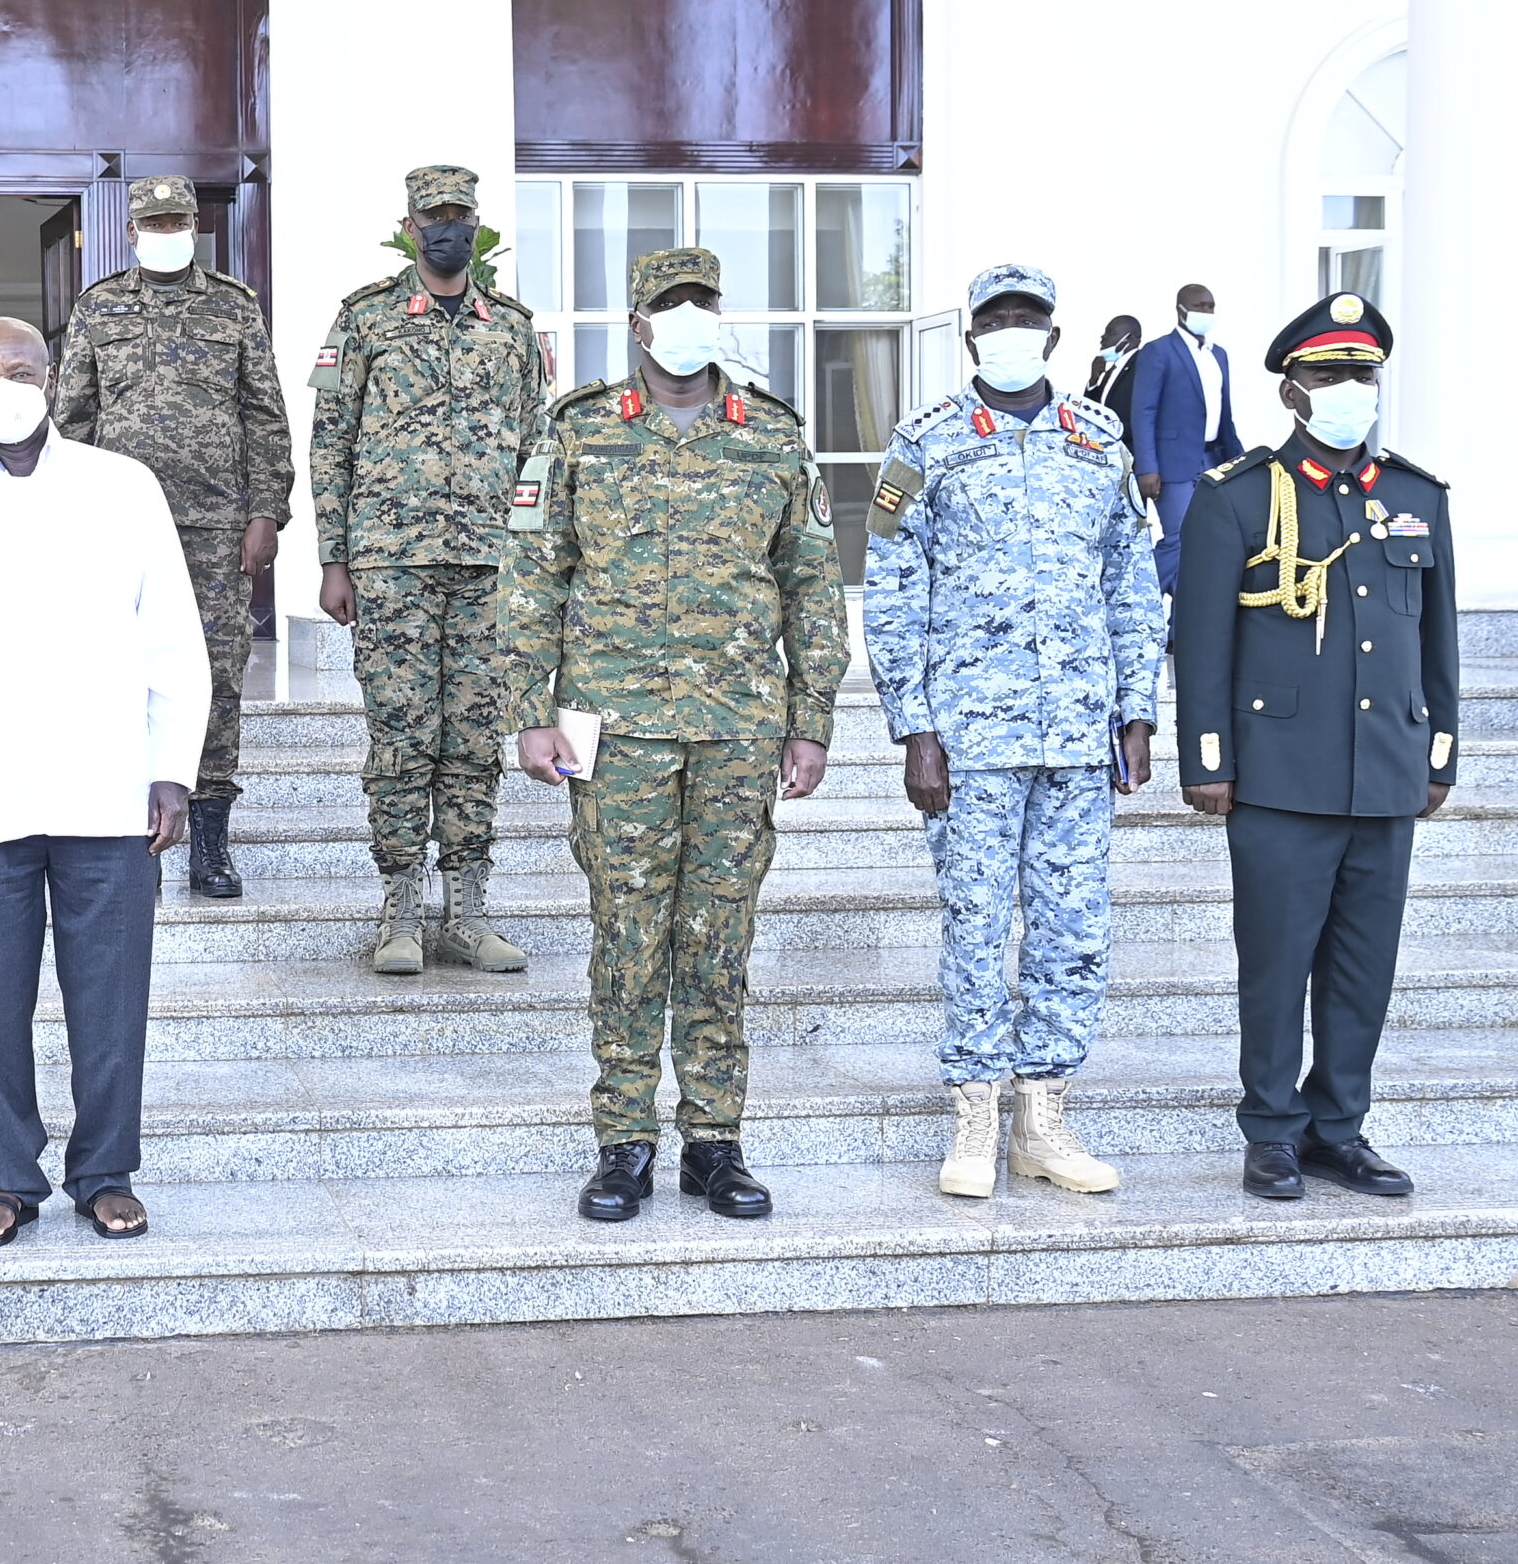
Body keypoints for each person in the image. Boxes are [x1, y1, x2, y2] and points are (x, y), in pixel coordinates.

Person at [501, 247, 848, 1223]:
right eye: (669, 304)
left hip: (739, 730)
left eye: (703, 301)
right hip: (614, 730)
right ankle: (621, 1142)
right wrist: (528, 712)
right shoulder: (579, 432)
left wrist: (811, 719)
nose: (687, 318)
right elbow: (533, 578)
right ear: (639, 323)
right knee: (626, 935)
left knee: (717, 937)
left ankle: (714, 1141)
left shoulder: (771, 437)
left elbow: (810, 586)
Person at [0, 318, 208, 1247]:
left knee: (110, 995)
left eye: (22, 368)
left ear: (53, 378)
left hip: (105, 787)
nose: (5, 384)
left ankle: (104, 1170)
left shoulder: (122, 487)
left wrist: (172, 770)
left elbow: (174, 636)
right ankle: (6, 1176)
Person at [861, 263, 1168, 1199]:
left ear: (1052, 336)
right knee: (976, 922)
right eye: (993, 318)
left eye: (1026, 318)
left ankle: (1043, 1119)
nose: (1010, 331)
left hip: (1078, 731)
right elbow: (892, 583)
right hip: (971, 737)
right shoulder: (925, 443)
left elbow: (1130, 577)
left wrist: (1138, 707)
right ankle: (972, 1116)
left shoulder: (1099, 441)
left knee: (1073, 930)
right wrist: (914, 727)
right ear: (969, 339)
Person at [1175, 291, 1453, 1202]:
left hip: (1383, 771)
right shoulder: (1242, 496)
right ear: (1293, 391)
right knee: (1277, 962)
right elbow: (1204, 640)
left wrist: (1437, 754)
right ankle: (1272, 1130)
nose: (1349, 390)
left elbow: (1436, 641)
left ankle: (1339, 1126)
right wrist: (1209, 760)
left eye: (1361, 374)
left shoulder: (1415, 498)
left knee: (1365, 965)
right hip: (1280, 777)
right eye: (1329, 374)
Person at [309, 164, 538, 976]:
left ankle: (468, 910)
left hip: (487, 565)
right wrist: (334, 558)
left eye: (459, 214)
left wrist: (535, 569)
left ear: (475, 226)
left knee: (475, 740)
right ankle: (401, 907)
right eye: (432, 214)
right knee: (402, 737)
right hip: (391, 564)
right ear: (409, 224)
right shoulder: (364, 318)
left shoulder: (512, 327)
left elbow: (535, 452)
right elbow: (330, 440)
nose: (446, 226)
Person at [52, 174, 291, 899]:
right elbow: (72, 420)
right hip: (117, 526)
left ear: (196, 224)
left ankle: (210, 840)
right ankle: (137, 836)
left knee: (216, 675)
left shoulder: (234, 306)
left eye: (177, 220)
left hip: (217, 525)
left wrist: (265, 513)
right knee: (121, 672)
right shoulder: (98, 308)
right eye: (153, 222)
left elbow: (265, 414)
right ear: (131, 231)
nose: (166, 231)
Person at [1129, 282, 1244, 606]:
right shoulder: (1158, 351)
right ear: (1181, 309)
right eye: (1200, 306)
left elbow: (1225, 414)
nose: (1206, 312)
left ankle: (1180, 631)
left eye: (1210, 306)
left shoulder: (1218, 355)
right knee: (1181, 541)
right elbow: (1144, 412)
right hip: (1172, 465)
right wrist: (1147, 467)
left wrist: (1240, 462)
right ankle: (1131, 593)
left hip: (1213, 460)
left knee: (1205, 546)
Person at [1085, 314, 1140, 417]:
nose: (1103, 337)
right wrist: (1093, 381)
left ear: (1129, 338)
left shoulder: (1143, 366)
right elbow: (1093, 410)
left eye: (1111, 332)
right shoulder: (1111, 370)